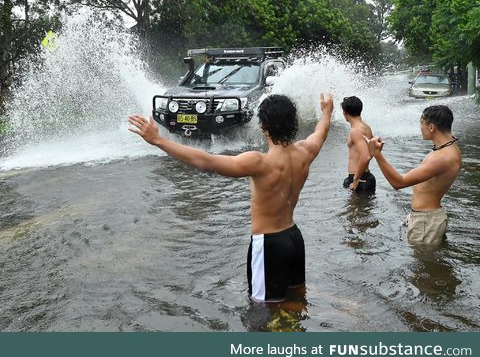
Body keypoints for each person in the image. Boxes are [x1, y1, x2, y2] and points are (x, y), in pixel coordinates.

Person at [128, 93, 334, 302]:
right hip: (294, 237)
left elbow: (206, 161)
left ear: (264, 127)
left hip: (269, 244)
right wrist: (326, 111)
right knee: (297, 295)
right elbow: (321, 131)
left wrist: (158, 140)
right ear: (293, 123)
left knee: (263, 308)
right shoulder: (305, 151)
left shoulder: (259, 162)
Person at [364, 105, 462, 245]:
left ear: (431, 127)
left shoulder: (443, 158)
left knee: (424, 264)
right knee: (429, 263)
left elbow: (398, 183)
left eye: (421, 123)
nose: (419, 127)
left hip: (426, 221)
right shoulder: (450, 148)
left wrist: (377, 155)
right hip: (427, 217)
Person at [341, 96, 376, 193]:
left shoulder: (356, 131)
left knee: (354, 208)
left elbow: (365, 157)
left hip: (359, 179)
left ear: (345, 112)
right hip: (365, 176)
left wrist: (356, 178)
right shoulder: (366, 127)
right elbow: (374, 150)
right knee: (364, 208)